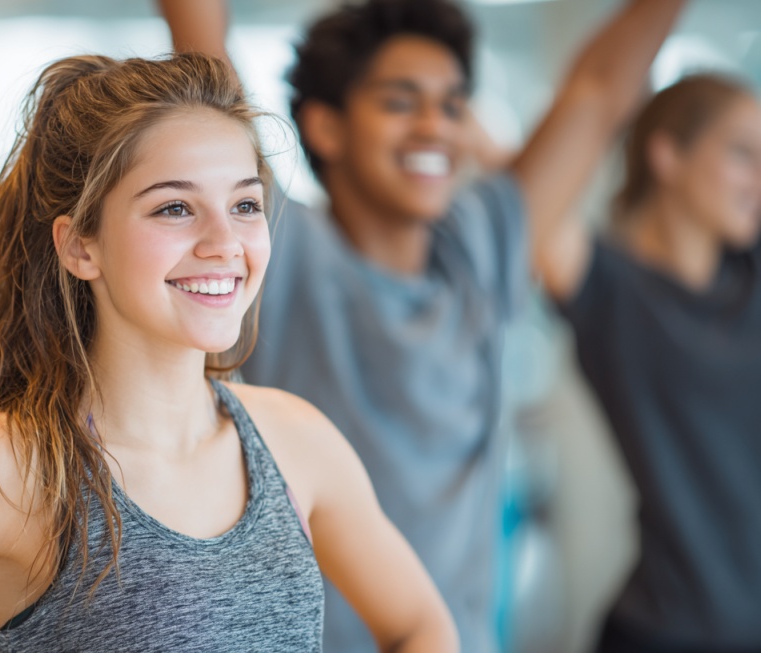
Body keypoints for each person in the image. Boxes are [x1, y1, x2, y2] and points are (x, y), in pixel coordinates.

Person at [0, 52, 458, 653]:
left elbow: (420, 625)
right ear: (80, 246)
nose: (224, 242)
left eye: (244, 203)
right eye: (172, 206)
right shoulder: (8, 471)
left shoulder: (295, 439)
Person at [160, 0, 687, 650]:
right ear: (324, 127)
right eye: (401, 103)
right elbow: (204, 55)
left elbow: (598, 93)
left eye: (451, 104)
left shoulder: (480, 248)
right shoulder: (277, 245)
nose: (435, 127)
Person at [538, 74, 761, 653]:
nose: (758, 178)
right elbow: (531, 205)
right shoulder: (609, 286)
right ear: (668, 154)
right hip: (670, 630)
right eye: (742, 153)